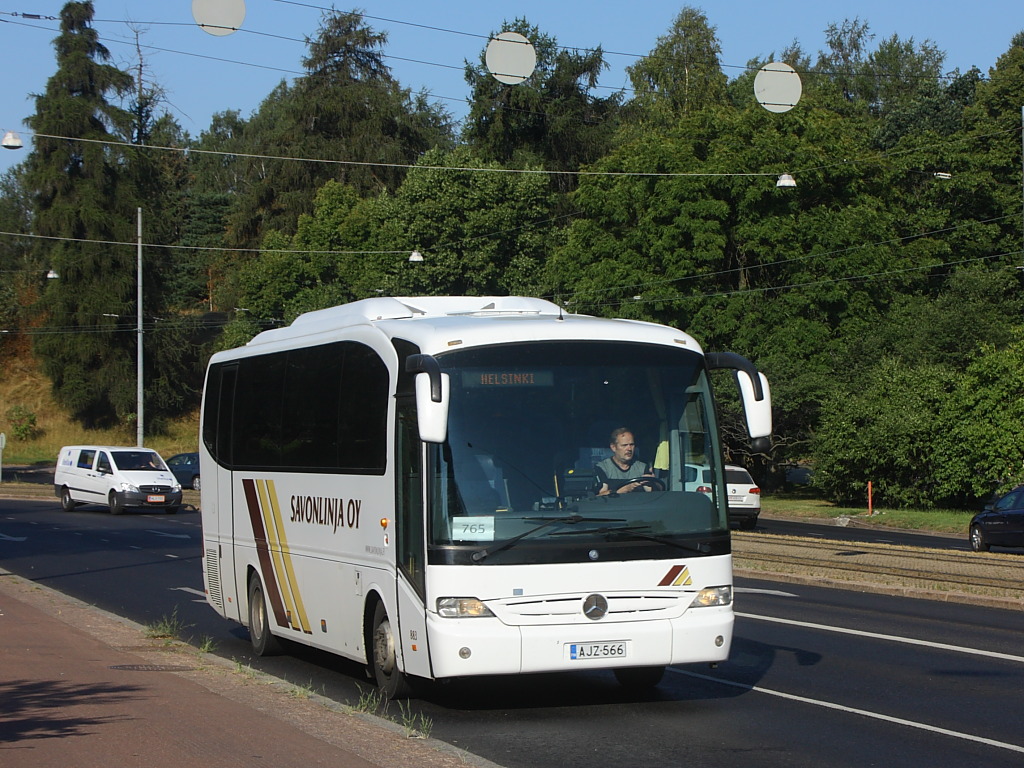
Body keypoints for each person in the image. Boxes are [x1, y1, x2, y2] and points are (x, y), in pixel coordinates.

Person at [593, 427, 660, 495]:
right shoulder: (603, 468)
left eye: (631, 445)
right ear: (613, 447)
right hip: (614, 505)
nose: (629, 449)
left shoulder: (642, 467)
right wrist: (622, 490)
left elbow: (651, 494)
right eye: (624, 445)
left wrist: (653, 482)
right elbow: (600, 496)